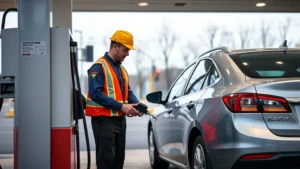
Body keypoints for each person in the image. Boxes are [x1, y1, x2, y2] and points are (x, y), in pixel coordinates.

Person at [85, 30, 141, 169]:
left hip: (119, 121)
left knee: (118, 161)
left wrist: (137, 105)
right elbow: (96, 94)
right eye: (125, 50)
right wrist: (121, 106)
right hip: (104, 122)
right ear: (115, 47)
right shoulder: (99, 67)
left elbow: (127, 91)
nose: (127, 54)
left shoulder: (121, 70)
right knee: (106, 161)